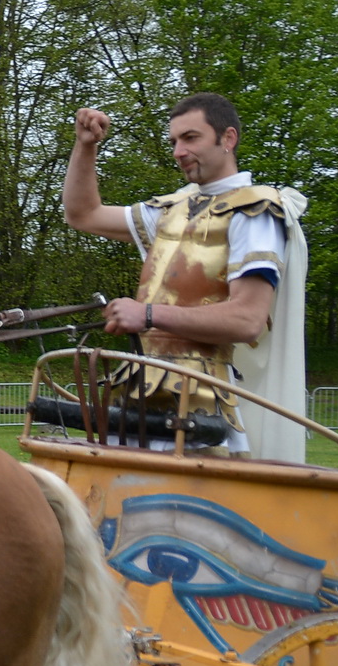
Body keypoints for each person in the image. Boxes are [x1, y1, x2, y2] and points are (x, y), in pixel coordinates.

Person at [61, 93, 308, 461]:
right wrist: (86, 147)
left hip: (200, 401)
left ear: (227, 139)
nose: (178, 151)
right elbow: (83, 214)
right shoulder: (170, 210)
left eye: (190, 138)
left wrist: (146, 315)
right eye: (174, 141)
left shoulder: (255, 212)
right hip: (138, 385)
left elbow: (248, 319)